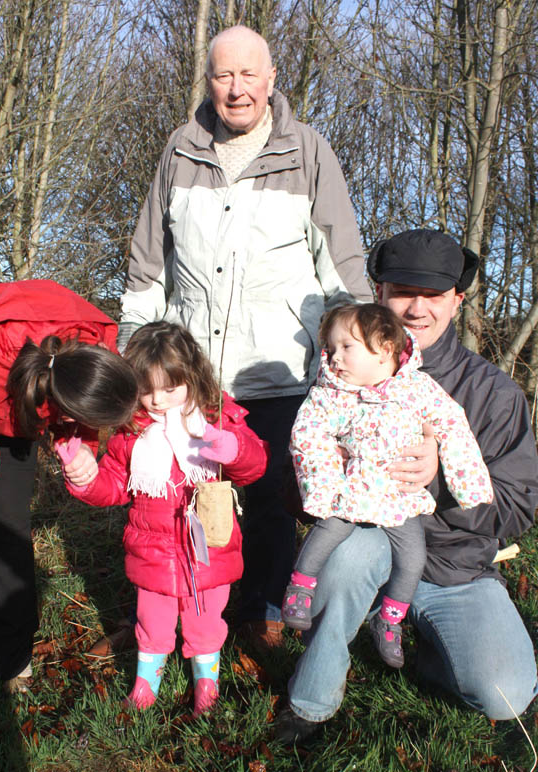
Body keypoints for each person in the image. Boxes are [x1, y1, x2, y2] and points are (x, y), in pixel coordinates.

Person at [117, 24, 372, 649]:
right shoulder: (180, 150)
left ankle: (262, 613)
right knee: (171, 496)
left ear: (271, 79)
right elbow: (147, 265)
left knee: (267, 499)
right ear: (208, 81)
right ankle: (165, 612)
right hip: (189, 376)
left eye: (248, 75)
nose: (236, 90)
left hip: (279, 370)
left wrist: (364, 359)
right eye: (223, 75)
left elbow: (342, 269)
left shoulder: (308, 152)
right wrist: (134, 357)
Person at [275, 228, 538, 742]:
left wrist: (440, 480)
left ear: (457, 301)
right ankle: (310, 703)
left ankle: (431, 652)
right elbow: (296, 489)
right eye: (402, 291)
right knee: (348, 558)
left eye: (434, 294)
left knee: (504, 694)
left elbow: (518, 507)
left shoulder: (496, 393)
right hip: (369, 542)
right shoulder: (339, 372)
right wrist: (333, 470)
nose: (417, 308)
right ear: (379, 294)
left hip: (454, 566)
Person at [0, 279, 138, 712]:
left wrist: (84, 447)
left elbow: (90, 408)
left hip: (21, 401)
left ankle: (13, 656)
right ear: (60, 406)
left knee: (8, 529)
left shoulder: (94, 356)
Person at [58, 322, 268, 715]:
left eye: (169, 388)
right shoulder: (130, 433)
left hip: (209, 550)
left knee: (205, 624)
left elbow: (254, 466)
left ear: (192, 377)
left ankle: (207, 685)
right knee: (151, 624)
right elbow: (113, 487)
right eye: (145, 389)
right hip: (152, 550)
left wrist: (235, 449)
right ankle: (144, 686)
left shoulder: (216, 418)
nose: (156, 400)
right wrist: (83, 477)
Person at [281, 303, 493, 669]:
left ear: (384, 350)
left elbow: (452, 425)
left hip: (400, 496)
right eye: (331, 349)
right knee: (327, 530)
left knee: (412, 558)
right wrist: (325, 485)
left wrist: (467, 483)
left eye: (347, 347)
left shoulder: (417, 388)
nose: (334, 358)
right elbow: (307, 436)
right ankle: (299, 588)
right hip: (353, 490)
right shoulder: (330, 394)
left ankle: (390, 619)